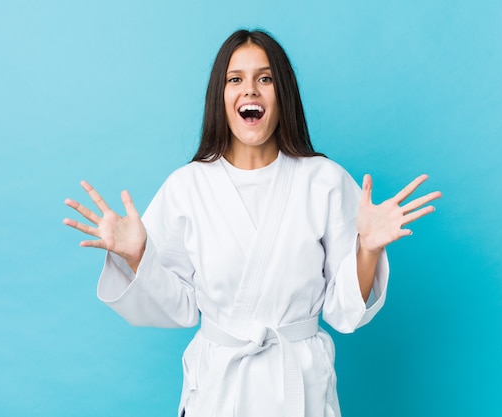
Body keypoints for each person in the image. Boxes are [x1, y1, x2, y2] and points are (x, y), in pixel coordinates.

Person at [63, 29, 441, 417]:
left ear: (283, 95)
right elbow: (178, 308)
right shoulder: (188, 186)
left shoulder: (324, 180)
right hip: (218, 391)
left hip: (299, 388)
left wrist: (368, 249)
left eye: (265, 78)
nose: (250, 91)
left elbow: (343, 312)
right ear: (220, 96)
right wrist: (139, 256)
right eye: (235, 79)